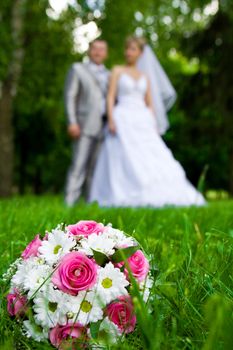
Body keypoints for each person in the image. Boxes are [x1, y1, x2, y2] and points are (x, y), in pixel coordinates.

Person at [89, 36, 205, 207]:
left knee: (153, 157)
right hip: (123, 117)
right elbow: (111, 96)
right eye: (127, 49)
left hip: (142, 120)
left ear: (141, 53)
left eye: (133, 49)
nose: (128, 52)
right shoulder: (117, 70)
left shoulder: (145, 76)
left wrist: (153, 122)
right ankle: (121, 193)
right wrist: (112, 119)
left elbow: (149, 102)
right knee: (124, 157)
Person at [64, 39, 109, 206]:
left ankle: (89, 202)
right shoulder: (78, 69)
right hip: (83, 125)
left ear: (106, 53)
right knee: (78, 165)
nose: (98, 52)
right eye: (95, 49)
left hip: (103, 127)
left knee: (95, 168)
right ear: (89, 51)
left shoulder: (109, 74)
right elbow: (70, 97)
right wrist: (72, 121)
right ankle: (69, 203)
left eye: (102, 49)